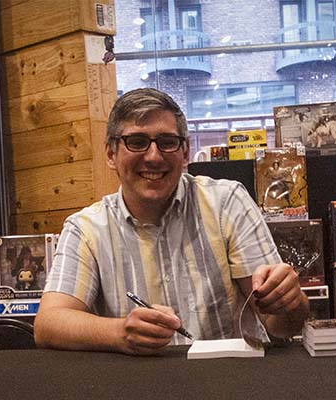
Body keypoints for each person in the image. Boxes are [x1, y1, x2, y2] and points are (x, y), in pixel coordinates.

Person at [35, 88, 309, 355]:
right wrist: (120, 333)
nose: (154, 156)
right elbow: (49, 324)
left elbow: (281, 326)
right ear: (111, 154)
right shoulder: (85, 229)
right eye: (137, 142)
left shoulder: (227, 203)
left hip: (231, 385)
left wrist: (290, 303)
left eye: (167, 142)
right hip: (138, 392)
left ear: (185, 152)